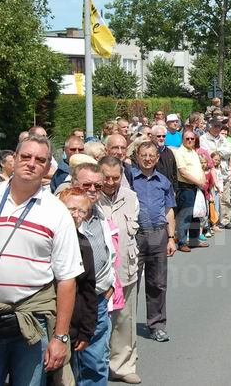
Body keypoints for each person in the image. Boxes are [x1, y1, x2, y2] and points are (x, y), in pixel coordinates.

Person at [0, 134, 83, 384]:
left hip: (33, 321)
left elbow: (67, 280)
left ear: (48, 166)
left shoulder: (56, 211)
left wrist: (60, 338)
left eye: (39, 160)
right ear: (14, 159)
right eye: (25, 156)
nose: (31, 163)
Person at [70, 163, 116, 386]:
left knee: (97, 363)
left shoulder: (100, 213)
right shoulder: (63, 215)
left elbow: (110, 254)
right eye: (86, 184)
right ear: (73, 184)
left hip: (97, 301)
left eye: (97, 185)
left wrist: (110, 288)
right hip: (72, 303)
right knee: (71, 366)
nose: (92, 189)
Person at [97, 157, 141, 384]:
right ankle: (96, 368)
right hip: (97, 272)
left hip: (126, 267)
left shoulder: (131, 197)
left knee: (125, 319)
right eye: (107, 177)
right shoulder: (91, 197)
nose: (112, 182)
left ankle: (123, 366)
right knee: (97, 321)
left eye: (116, 177)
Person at [130, 142, 176, 343]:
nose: (147, 159)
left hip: (158, 235)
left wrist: (172, 238)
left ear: (157, 158)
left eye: (151, 155)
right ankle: (127, 327)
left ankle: (156, 325)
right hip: (135, 236)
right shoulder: (129, 178)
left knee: (157, 282)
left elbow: (169, 210)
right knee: (131, 283)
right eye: (143, 155)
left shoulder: (164, 181)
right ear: (137, 157)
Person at [57, 187, 98, 386]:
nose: (76, 215)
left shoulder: (83, 244)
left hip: (71, 329)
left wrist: (86, 330)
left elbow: (89, 290)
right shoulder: (47, 239)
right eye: (71, 209)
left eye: (82, 211)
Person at [171, 131, 208, 252]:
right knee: (185, 215)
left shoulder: (193, 152)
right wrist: (199, 183)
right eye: (187, 138)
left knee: (196, 215)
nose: (190, 140)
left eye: (192, 138)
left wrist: (202, 180)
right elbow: (183, 172)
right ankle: (182, 242)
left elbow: (199, 169)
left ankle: (194, 240)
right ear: (183, 139)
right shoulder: (180, 152)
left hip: (196, 187)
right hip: (186, 187)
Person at [200, 118, 231, 229]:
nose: (217, 128)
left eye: (219, 126)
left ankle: (225, 220)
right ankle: (212, 222)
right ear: (209, 126)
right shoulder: (203, 138)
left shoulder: (223, 138)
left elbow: (230, 150)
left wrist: (216, 153)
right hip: (210, 172)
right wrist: (219, 152)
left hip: (223, 171)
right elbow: (206, 153)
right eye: (215, 126)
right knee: (212, 198)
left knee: (225, 197)